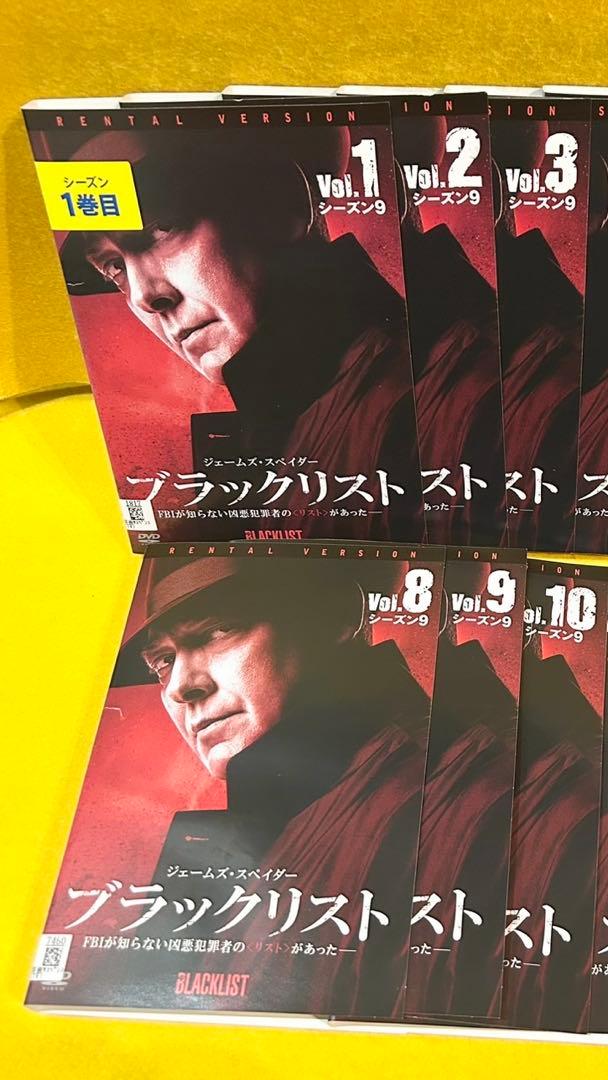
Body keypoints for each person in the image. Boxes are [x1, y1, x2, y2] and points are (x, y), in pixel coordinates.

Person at [53, 124, 422, 540]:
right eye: (114, 267)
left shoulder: (417, 406)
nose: (144, 296)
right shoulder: (264, 449)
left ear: (278, 206)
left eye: (162, 227)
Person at [104, 554, 431, 1018]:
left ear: (333, 617)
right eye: (163, 661)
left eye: (219, 630)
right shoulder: (220, 841)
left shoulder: (433, 796)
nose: (180, 686)